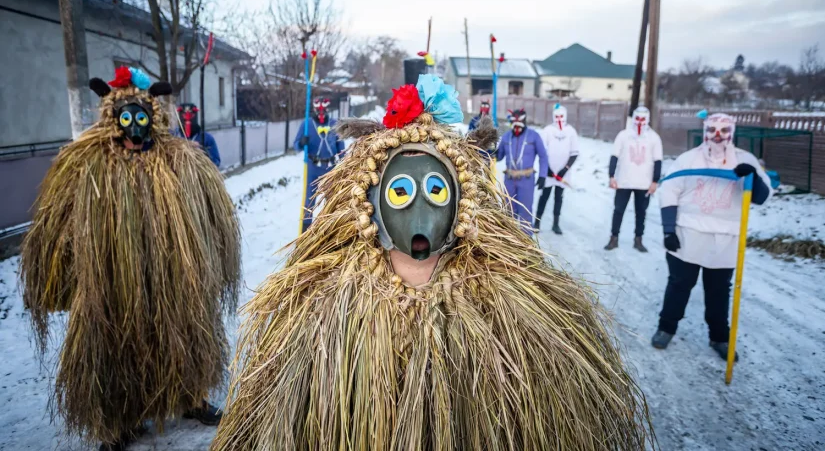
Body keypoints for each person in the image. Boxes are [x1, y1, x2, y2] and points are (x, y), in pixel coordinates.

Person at [211, 75, 653, 450]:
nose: (419, 217)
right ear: (371, 204)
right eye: (400, 194)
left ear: (462, 202)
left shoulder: (498, 305)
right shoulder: (327, 308)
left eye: (437, 192)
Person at [21, 67, 241, 451]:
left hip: (174, 275)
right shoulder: (89, 164)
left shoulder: (182, 160)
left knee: (184, 334)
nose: (135, 127)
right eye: (127, 118)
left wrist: (216, 263)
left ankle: (192, 398)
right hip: (113, 282)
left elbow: (214, 215)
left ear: (152, 117)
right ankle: (120, 420)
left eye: (141, 117)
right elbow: (58, 221)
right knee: (116, 347)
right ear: (114, 119)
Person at [651, 113, 771, 360]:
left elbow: (760, 197)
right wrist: (668, 230)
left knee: (718, 292)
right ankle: (666, 328)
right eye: (713, 129)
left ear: (732, 131)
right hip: (687, 236)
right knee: (678, 285)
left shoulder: (745, 160)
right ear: (704, 131)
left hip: (725, 242)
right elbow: (669, 192)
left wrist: (754, 177)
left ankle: (719, 337)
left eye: (724, 130)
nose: (718, 135)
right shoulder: (688, 159)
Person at [605, 106, 663, 252]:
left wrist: (655, 181)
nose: (640, 122)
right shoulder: (623, 135)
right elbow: (614, 156)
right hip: (624, 181)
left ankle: (638, 239)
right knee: (618, 210)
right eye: (637, 118)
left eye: (643, 119)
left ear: (648, 119)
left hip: (644, 183)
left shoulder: (654, 138)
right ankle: (614, 238)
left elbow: (658, 161)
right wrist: (611, 176)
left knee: (641, 212)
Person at [294, 97, 346, 233]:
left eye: (324, 110)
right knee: (309, 201)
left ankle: (331, 230)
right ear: (315, 109)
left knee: (332, 199)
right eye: (319, 109)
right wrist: (302, 143)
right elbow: (296, 145)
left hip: (331, 167)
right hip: (313, 167)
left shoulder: (335, 124)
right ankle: (305, 231)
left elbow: (341, 147)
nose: (321, 112)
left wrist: (345, 163)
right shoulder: (307, 124)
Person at [496, 108, 548, 235]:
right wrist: (490, 149)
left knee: (525, 212)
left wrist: (543, 175)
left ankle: (526, 244)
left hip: (526, 180)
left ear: (524, 121)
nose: (517, 124)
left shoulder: (533, 136)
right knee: (508, 211)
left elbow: (543, 156)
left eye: (520, 121)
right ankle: (509, 240)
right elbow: (499, 156)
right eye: (514, 121)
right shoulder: (506, 136)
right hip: (509, 180)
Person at [535, 103, 579, 234]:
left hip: (562, 174)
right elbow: (542, 151)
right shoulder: (548, 130)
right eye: (557, 116)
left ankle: (556, 224)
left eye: (561, 116)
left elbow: (574, 153)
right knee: (544, 196)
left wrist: (564, 170)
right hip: (549, 172)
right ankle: (537, 222)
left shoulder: (571, 131)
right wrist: (546, 169)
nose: (559, 118)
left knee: (559, 198)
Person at [174, 102, 221, 167]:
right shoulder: (173, 136)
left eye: (191, 115)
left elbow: (216, 162)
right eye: (184, 115)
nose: (187, 120)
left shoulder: (207, 138)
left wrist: (204, 153)